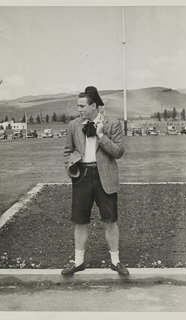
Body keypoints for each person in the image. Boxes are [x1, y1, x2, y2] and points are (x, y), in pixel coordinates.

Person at [62, 86, 129, 276]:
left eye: (82, 106)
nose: (79, 109)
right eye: (78, 106)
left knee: (110, 220)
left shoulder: (112, 123)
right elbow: (67, 151)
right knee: (80, 221)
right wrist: (70, 169)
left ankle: (115, 262)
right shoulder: (74, 125)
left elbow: (118, 152)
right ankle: (78, 262)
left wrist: (100, 135)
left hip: (105, 176)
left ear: (94, 105)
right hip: (82, 176)